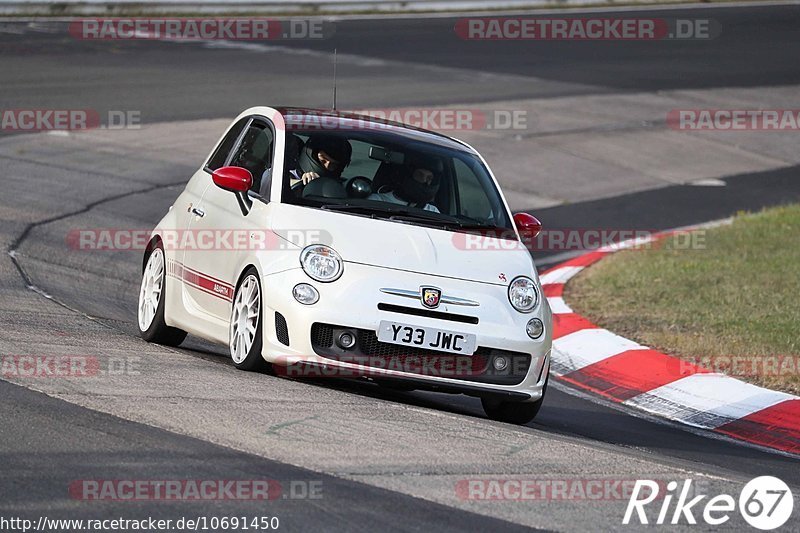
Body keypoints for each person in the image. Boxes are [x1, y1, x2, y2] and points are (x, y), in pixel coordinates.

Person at [369, 158, 441, 213]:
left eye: (429, 178)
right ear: (409, 176)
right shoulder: (377, 201)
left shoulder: (432, 211)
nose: (424, 181)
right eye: (420, 175)